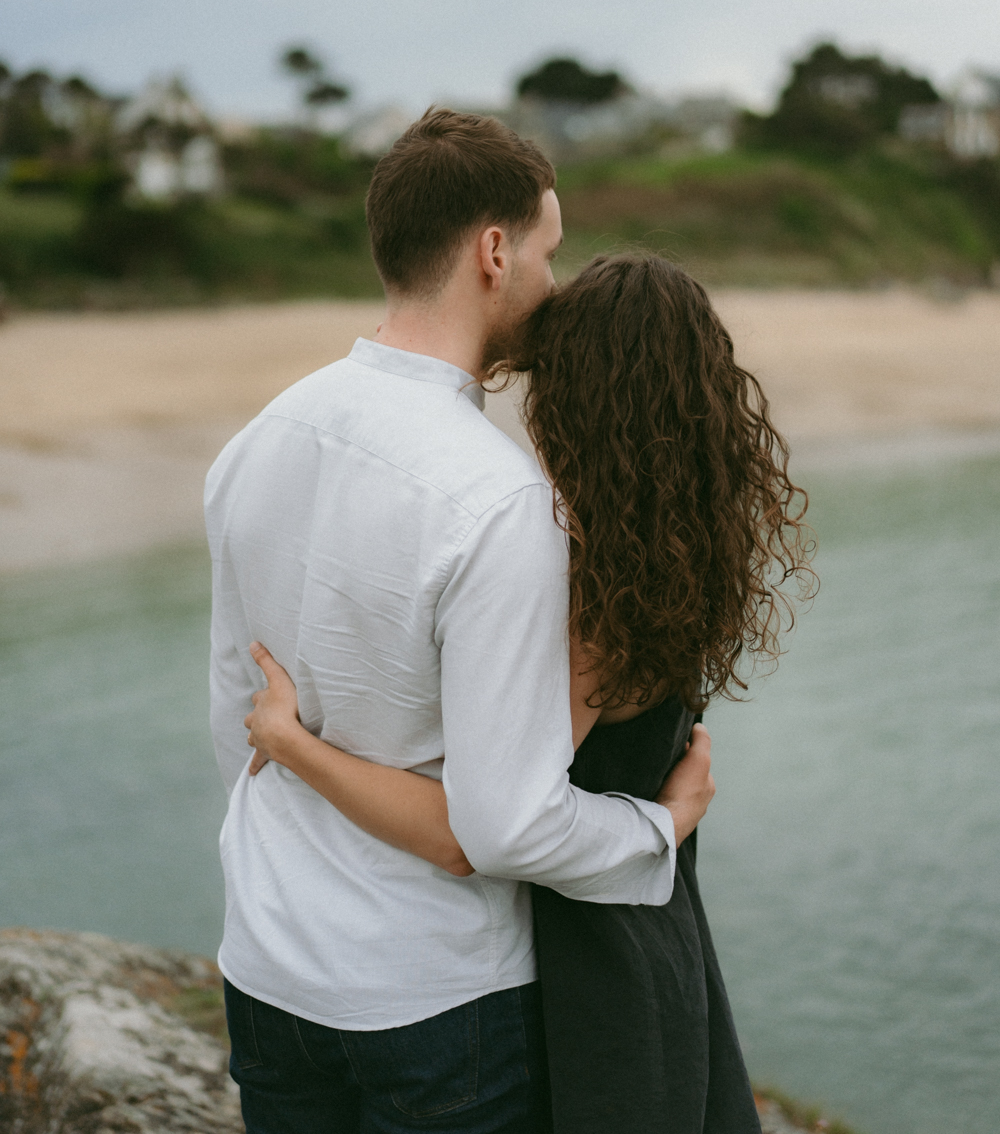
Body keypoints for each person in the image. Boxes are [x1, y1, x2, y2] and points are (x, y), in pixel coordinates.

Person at [207, 109, 718, 1134]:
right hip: (436, 997)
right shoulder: (498, 504)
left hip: (266, 961)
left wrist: (295, 767)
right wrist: (658, 825)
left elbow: (236, 717)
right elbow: (501, 826)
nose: (552, 282)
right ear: (494, 252)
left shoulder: (261, 436)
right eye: (547, 250)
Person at [243, 252, 814, 1132]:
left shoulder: (585, 593)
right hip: (653, 933)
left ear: (571, 401)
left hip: (590, 964)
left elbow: (476, 832)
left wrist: (294, 744)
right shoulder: (672, 549)